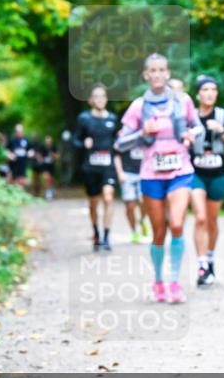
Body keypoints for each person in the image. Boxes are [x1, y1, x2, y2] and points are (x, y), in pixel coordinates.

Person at [115, 54, 203, 304]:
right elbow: (120, 143)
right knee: (158, 231)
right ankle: (158, 281)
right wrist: (142, 132)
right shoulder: (138, 106)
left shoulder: (182, 101)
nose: (157, 74)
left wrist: (190, 134)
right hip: (151, 174)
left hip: (180, 171)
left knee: (176, 224)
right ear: (145, 75)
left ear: (167, 73)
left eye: (161, 70)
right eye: (152, 70)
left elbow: (199, 128)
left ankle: (174, 282)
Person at [188, 75, 224, 287]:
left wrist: (222, 131)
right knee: (199, 218)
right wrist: (187, 136)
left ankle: (209, 257)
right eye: (205, 89)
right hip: (195, 173)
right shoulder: (190, 116)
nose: (209, 93)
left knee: (211, 220)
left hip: (218, 173)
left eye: (213, 89)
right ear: (198, 94)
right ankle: (201, 265)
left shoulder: (223, 115)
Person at [73, 84, 118, 251]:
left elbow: (117, 141)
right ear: (90, 100)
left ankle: (106, 237)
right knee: (93, 202)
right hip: (91, 166)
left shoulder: (112, 119)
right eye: (96, 96)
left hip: (108, 165)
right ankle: (96, 233)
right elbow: (75, 140)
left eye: (103, 96)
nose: (100, 99)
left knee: (108, 197)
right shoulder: (84, 118)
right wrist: (83, 143)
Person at [114, 138, 150, 244]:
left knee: (145, 201)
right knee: (130, 206)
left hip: (144, 173)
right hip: (127, 174)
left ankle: (143, 220)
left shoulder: (147, 133)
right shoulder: (123, 135)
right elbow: (117, 155)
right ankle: (134, 231)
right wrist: (120, 172)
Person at [6, 124, 33, 190]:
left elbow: (31, 150)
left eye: (20, 131)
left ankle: (20, 195)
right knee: (12, 180)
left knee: (21, 180)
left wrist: (30, 153)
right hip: (13, 164)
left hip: (22, 163)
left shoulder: (26, 140)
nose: (19, 133)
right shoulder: (11, 140)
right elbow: (7, 150)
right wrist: (10, 155)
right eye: (17, 131)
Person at [32, 135, 58, 201]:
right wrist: (40, 159)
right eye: (47, 141)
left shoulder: (54, 147)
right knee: (46, 178)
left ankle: (51, 189)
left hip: (51, 166)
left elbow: (57, 156)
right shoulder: (42, 147)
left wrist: (53, 156)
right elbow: (38, 154)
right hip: (44, 165)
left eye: (49, 141)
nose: (48, 142)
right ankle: (48, 192)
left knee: (51, 179)